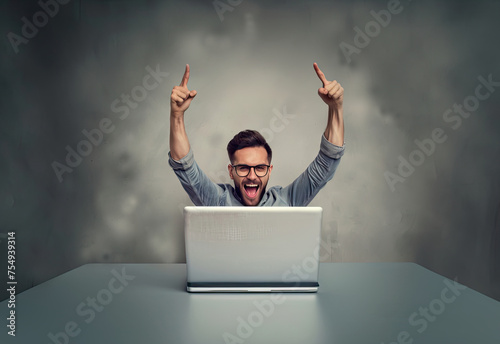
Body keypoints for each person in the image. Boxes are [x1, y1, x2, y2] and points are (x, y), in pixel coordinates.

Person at [168, 63, 345, 206]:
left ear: (270, 170)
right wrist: (177, 116)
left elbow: (326, 162)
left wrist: (335, 108)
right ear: (231, 171)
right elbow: (185, 167)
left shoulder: (287, 202)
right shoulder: (217, 201)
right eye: (243, 168)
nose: (252, 176)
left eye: (260, 168)